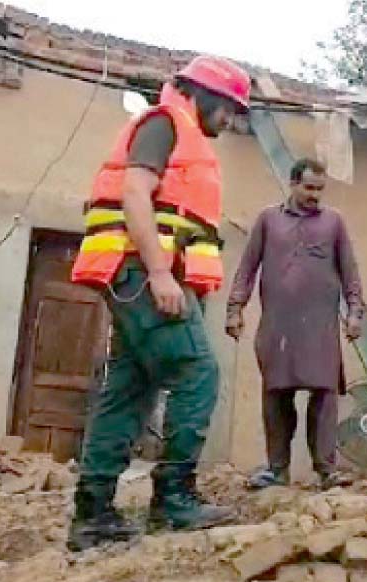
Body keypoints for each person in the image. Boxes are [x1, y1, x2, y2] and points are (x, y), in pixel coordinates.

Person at [68, 55, 251, 551]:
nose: (231, 121)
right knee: (198, 372)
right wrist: (157, 272)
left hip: (139, 274)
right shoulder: (164, 124)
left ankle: (93, 515)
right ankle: (174, 499)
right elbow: (135, 192)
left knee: (129, 387)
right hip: (143, 273)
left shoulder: (175, 130)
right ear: (206, 97)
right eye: (230, 110)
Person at [225, 158, 364, 489]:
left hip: (320, 327)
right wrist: (235, 309)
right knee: (276, 394)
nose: (315, 195)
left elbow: (350, 272)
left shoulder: (334, 223)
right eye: (309, 188)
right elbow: (246, 268)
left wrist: (355, 313)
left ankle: (327, 469)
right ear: (292, 184)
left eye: (320, 189)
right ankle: (276, 468)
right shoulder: (268, 220)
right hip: (279, 326)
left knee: (325, 394)